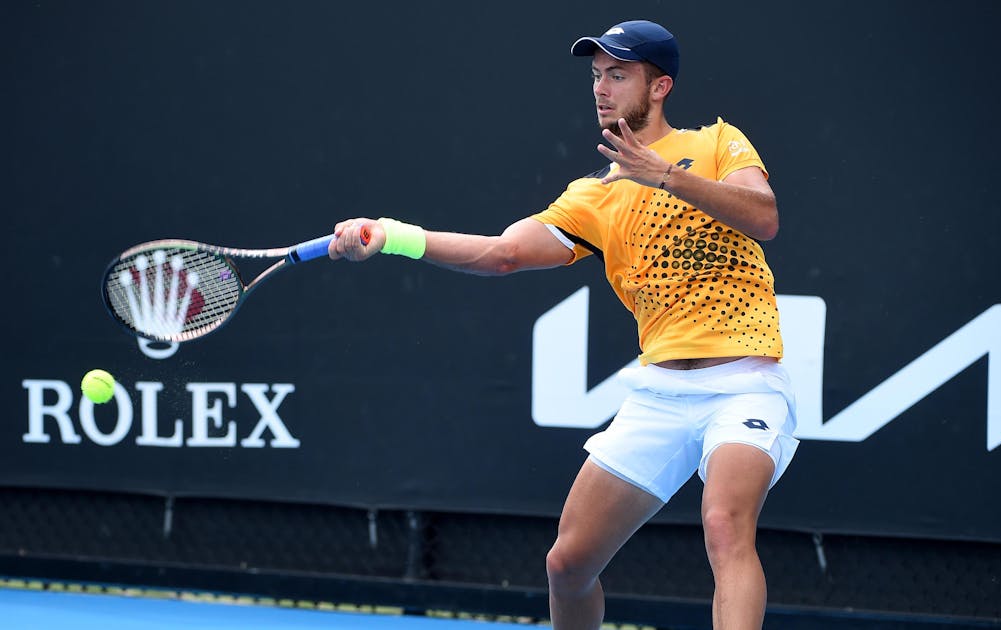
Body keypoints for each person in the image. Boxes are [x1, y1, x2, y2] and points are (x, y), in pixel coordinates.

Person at [328, 19, 798, 630]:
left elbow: (764, 217)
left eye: (618, 75)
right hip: (659, 394)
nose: (602, 89)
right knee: (567, 565)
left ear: (660, 87)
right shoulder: (593, 196)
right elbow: (502, 253)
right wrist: (392, 236)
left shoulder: (717, 144)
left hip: (745, 386)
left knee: (723, 525)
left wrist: (666, 175)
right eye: (597, 76)